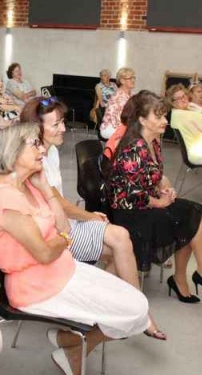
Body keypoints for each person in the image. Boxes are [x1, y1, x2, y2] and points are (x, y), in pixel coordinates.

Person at [0, 123, 162, 375]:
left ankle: (70, 343)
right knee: (135, 311)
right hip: (36, 287)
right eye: (35, 144)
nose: (42, 149)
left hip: (63, 269)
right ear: (13, 151)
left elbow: (63, 227)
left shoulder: (29, 185)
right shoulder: (3, 197)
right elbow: (45, 252)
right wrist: (64, 239)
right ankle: (72, 346)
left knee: (137, 307)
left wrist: (46, 190)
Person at [19, 97, 162, 298]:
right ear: (37, 128)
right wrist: (91, 216)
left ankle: (117, 301)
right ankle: (125, 302)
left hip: (62, 221)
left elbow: (60, 203)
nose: (63, 129)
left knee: (122, 238)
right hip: (53, 230)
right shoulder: (36, 159)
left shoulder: (52, 152)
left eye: (62, 122)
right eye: (56, 125)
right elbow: (59, 204)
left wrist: (88, 216)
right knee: (121, 246)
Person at [107, 91, 202, 304]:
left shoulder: (152, 142)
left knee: (192, 216)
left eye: (164, 115)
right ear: (142, 120)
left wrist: (164, 189)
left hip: (145, 204)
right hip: (131, 214)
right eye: (159, 116)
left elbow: (152, 178)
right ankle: (193, 276)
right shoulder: (133, 148)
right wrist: (158, 202)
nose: (165, 120)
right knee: (190, 218)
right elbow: (131, 194)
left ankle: (191, 275)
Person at [99, 67, 135, 140]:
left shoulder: (132, 94)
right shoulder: (117, 97)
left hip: (123, 125)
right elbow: (116, 120)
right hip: (110, 127)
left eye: (133, 78)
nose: (133, 80)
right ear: (122, 81)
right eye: (130, 78)